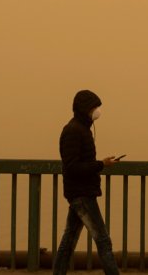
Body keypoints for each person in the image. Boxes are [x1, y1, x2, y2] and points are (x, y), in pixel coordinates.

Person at [52, 89, 122, 275]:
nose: (97, 111)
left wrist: (101, 163)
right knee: (103, 240)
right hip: (81, 194)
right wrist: (102, 164)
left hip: (81, 192)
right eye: (94, 107)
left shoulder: (81, 129)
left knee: (69, 240)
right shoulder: (73, 131)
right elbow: (73, 167)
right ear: (85, 109)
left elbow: (80, 163)